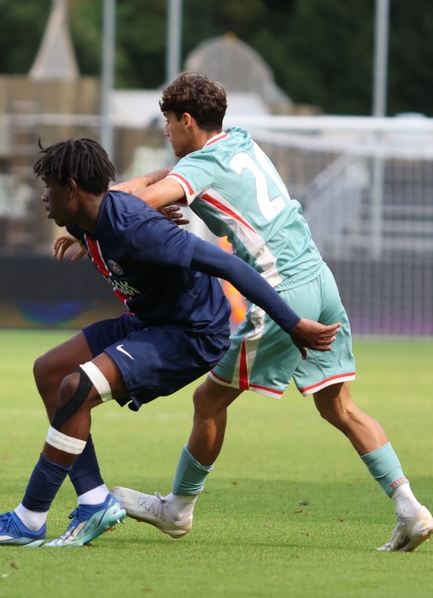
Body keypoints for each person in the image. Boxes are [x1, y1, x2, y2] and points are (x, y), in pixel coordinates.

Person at [0, 138, 339, 547]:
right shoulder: (82, 216)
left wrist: (292, 322)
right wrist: (88, 239)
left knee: (76, 387)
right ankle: (94, 500)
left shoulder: (140, 230)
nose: (43, 197)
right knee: (50, 373)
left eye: (49, 186)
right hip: (149, 320)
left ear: (71, 187)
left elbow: (226, 263)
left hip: (191, 333)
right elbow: (144, 182)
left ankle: (28, 518)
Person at [107, 70, 432, 553]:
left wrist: (93, 211)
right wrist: (133, 187)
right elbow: (155, 182)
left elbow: (139, 206)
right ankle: (410, 508)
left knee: (208, 402)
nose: (166, 132)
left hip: (282, 290)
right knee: (338, 405)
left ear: (188, 120)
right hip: (321, 280)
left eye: (169, 123)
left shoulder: (201, 168)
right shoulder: (238, 141)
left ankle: (178, 508)